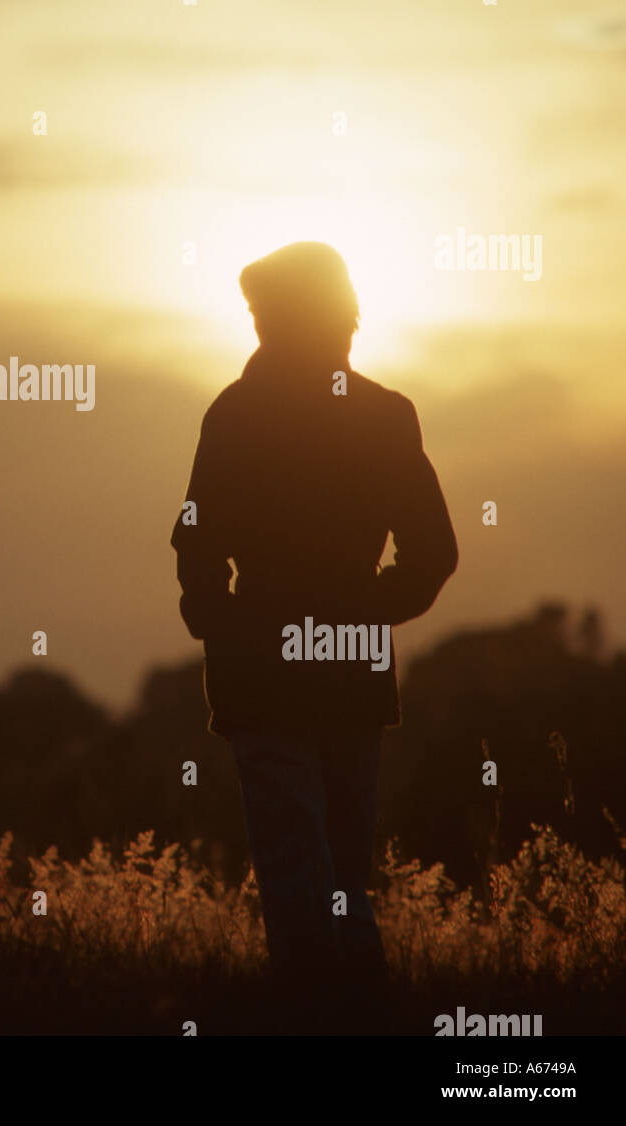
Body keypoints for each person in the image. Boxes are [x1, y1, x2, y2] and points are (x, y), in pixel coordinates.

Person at [170, 241, 458, 1031]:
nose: (256, 326)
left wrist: (222, 625)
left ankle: (322, 1015)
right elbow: (434, 555)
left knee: (300, 872)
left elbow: (194, 539)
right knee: (336, 873)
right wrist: (363, 614)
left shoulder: (235, 413)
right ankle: (359, 1010)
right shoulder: (383, 414)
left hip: (263, 672)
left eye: (263, 311)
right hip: (344, 673)